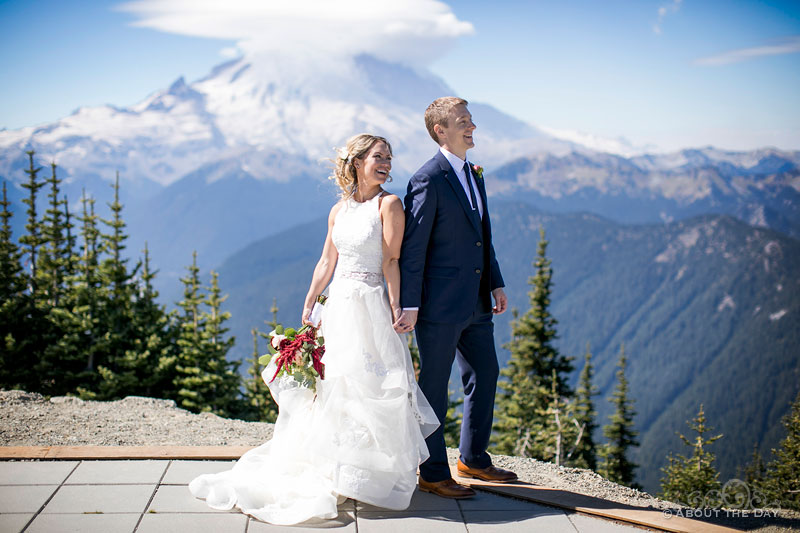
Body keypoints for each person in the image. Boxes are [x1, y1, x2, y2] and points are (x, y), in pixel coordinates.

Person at [189, 134, 438, 524]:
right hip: (338, 305)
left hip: (371, 303)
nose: (387, 163)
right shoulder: (338, 210)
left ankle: (361, 475)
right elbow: (326, 259)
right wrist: (310, 299)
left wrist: (398, 308)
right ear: (357, 162)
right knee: (334, 385)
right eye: (378, 156)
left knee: (370, 385)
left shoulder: (389, 204)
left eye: (389, 157)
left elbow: (392, 260)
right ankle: (334, 470)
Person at [395, 97, 518, 499]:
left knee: (486, 374)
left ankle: (473, 459)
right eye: (463, 122)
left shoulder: (474, 173)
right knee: (433, 387)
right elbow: (413, 249)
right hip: (438, 306)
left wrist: (495, 283)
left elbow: (483, 236)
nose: (472, 127)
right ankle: (432, 471)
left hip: (477, 303)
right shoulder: (427, 178)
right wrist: (409, 304)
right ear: (440, 131)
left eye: (471, 120)